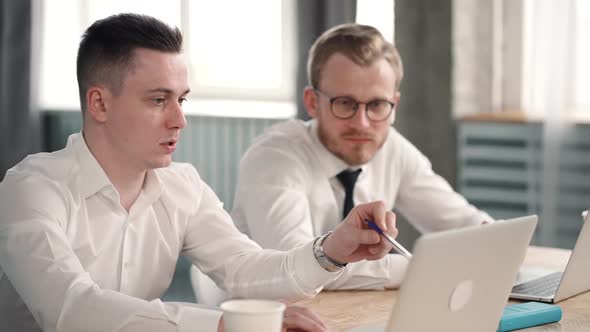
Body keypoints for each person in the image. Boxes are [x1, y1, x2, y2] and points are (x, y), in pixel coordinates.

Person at [0, 15, 399, 332]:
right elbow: (72, 310)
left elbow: (245, 269)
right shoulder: (31, 190)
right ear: (100, 103)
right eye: (159, 100)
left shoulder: (182, 185)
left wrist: (332, 249)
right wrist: (225, 324)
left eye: (181, 99)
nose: (179, 120)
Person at [231, 23, 493, 290]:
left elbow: (462, 222)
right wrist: (420, 268)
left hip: (349, 312)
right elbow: (299, 267)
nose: (363, 124)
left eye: (377, 105)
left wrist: (492, 240)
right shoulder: (274, 157)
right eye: (345, 103)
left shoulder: (391, 147)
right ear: (312, 102)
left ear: (394, 106)